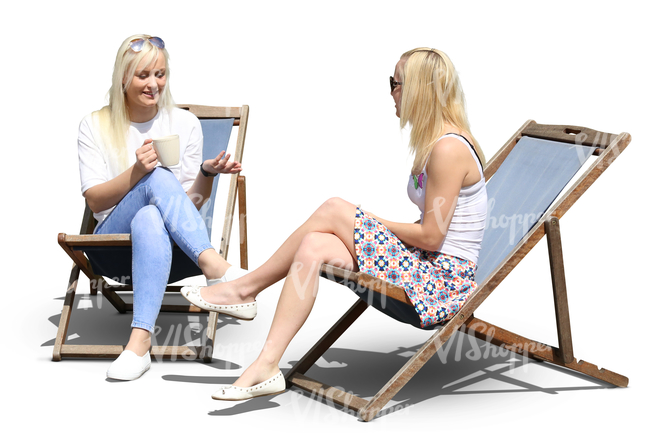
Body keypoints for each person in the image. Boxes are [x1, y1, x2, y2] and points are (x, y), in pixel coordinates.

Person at [182, 47, 488, 400]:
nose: (391, 91)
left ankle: (245, 288)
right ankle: (266, 365)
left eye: (395, 82)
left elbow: (433, 237)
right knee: (314, 244)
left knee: (334, 208)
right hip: (424, 267)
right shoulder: (436, 143)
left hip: (440, 283)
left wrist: (370, 219)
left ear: (418, 88)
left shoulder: (448, 149)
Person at [77, 34, 244, 381]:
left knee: (152, 215)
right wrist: (137, 173)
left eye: (161, 74)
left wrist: (206, 174)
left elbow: (190, 206)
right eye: (143, 75)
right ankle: (216, 267)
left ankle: (138, 344)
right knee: (154, 178)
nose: (154, 85)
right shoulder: (95, 125)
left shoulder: (185, 124)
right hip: (112, 249)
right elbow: (94, 200)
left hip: (175, 251)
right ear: (123, 77)